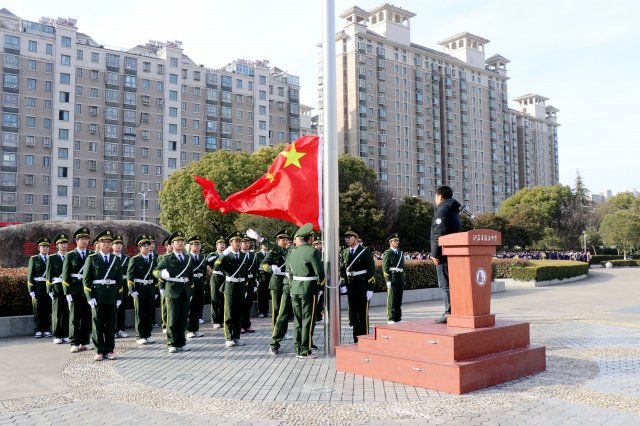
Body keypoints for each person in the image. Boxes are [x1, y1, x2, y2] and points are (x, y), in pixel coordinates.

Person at [285, 223, 325, 359]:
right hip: (308, 289)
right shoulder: (312, 252)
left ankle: (297, 348)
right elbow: (320, 273)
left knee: (298, 320)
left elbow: (289, 272)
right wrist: (320, 286)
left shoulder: (293, 252)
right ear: (310, 238)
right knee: (308, 320)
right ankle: (305, 351)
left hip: (295, 288)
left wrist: (292, 285)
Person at [83, 230, 123, 361]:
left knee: (111, 325)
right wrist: (90, 297)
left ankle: (110, 350)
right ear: (98, 244)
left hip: (111, 297)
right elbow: (86, 280)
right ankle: (99, 351)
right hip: (97, 297)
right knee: (98, 325)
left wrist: (119, 298)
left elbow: (119, 280)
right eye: (104, 242)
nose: (107, 244)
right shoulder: (92, 258)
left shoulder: (116, 259)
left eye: (109, 242)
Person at [154, 231, 194, 353]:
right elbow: (155, 271)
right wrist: (162, 274)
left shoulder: (188, 258)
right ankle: (171, 343)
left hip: (185, 291)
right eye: (177, 241)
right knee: (172, 318)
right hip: (172, 291)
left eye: (182, 241)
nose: (180, 243)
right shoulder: (167, 258)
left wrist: (191, 292)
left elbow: (191, 276)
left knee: (183, 318)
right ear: (172, 244)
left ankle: (181, 342)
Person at [430, 185, 462, 324]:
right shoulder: (453, 210)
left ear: (440, 196)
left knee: (445, 284)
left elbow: (439, 233)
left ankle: (449, 312)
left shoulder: (442, 210)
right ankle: (456, 310)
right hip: (453, 252)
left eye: (435, 196)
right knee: (452, 283)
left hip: (443, 253)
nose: (435, 199)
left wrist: (435, 254)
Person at [340, 229, 375, 343]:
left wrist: (370, 288)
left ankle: (364, 339)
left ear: (356, 238)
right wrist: (343, 283)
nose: (347, 239)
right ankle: (356, 340)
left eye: (349, 237)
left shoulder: (365, 251)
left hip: (362, 286)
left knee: (362, 314)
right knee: (353, 315)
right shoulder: (345, 252)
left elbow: (371, 271)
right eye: (346, 237)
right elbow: (342, 270)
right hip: (351, 287)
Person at [214, 231, 248, 348]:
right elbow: (216, 267)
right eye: (236, 241)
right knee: (229, 313)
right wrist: (223, 255)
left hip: (240, 286)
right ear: (231, 243)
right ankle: (228, 338)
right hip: (230, 286)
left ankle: (237, 337)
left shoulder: (243, 256)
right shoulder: (226, 255)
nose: (238, 243)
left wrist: (246, 288)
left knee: (238, 313)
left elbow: (245, 273)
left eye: (239, 241)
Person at [62, 227, 93, 353]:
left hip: (88, 290)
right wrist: (67, 292)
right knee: (74, 318)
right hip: (75, 290)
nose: (84, 241)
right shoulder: (70, 256)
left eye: (86, 239)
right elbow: (65, 275)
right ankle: (74, 342)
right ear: (76, 240)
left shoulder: (92, 255)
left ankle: (85, 341)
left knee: (86, 317)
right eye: (81, 239)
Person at [127, 234, 158, 345]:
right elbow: (130, 276)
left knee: (149, 313)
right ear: (139, 247)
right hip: (139, 290)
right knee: (140, 313)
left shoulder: (153, 259)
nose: (146, 247)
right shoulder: (135, 259)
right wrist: (132, 290)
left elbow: (155, 277)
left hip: (150, 289)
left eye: (148, 245)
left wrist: (156, 291)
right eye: (144, 245)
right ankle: (140, 335)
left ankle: (148, 334)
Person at [46, 233, 70, 344]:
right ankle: (57, 335)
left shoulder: (70, 256)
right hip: (57, 288)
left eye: (65, 243)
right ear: (57, 245)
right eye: (61, 243)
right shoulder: (52, 258)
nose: (63, 245)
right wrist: (49, 290)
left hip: (68, 288)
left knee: (66, 312)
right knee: (57, 312)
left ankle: (65, 334)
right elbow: (48, 275)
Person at [27, 236, 52, 338]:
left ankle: (46, 329)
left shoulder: (52, 258)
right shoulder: (34, 259)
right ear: (39, 248)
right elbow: (30, 276)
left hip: (48, 287)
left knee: (47, 309)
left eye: (47, 246)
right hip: (37, 287)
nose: (45, 248)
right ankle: (38, 329)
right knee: (38, 309)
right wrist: (31, 290)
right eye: (43, 246)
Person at [382, 233, 406, 324]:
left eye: (398, 240)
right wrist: (387, 280)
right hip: (392, 278)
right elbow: (385, 268)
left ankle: (398, 318)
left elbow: (402, 266)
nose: (397, 242)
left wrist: (403, 278)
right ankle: (390, 318)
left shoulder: (400, 252)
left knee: (398, 299)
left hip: (400, 278)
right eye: (395, 241)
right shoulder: (388, 253)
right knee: (391, 300)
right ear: (390, 242)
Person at [186, 235, 206, 339]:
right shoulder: (187, 257)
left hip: (200, 284)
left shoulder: (202, 257)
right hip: (190, 284)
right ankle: (189, 330)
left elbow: (205, 273)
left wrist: (203, 284)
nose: (198, 246)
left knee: (198, 307)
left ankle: (196, 329)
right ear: (190, 245)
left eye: (199, 244)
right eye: (195, 244)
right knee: (190, 308)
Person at [206, 236, 226, 330]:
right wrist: (210, 272)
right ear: (216, 245)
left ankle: (222, 320)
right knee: (215, 300)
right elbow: (207, 265)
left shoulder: (227, 254)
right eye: (220, 244)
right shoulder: (212, 255)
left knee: (223, 300)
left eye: (223, 244)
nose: (222, 245)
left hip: (224, 278)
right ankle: (215, 321)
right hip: (215, 278)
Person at [112, 235, 129, 339]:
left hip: (123, 286)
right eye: (116, 244)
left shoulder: (127, 259)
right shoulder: (109, 258)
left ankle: (121, 329)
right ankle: (112, 330)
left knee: (122, 308)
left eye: (120, 244)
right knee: (112, 309)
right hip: (112, 286)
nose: (118, 246)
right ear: (112, 245)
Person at [240, 234, 257, 334]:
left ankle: (247, 324)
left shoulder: (252, 255)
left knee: (248, 304)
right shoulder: (239, 255)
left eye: (248, 242)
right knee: (241, 305)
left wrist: (255, 283)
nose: (246, 244)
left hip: (250, 282)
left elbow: (255, 270)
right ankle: (240, 325)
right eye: (244, 242)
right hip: (242, 282)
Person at [158, 234, 173, 334]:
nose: (171, 246)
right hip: (166, 284)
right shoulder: (162, 257)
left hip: (175, 285)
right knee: (165, 305)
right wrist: (161, 287)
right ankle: (165, 324)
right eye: (169, 244)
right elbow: (159, 272)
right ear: (166, 246)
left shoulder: (177, 256)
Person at [255, 240, 271, 318]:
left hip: (268, 277)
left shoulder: (270, 254)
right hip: (261, 277)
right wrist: (256, 278)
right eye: (264, 244)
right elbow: (255, 267)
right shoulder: (257, 255)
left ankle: (266, 311)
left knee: (267, 294)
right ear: (261, 245)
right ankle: (260, 311)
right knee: (260, 295)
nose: (266, 246)